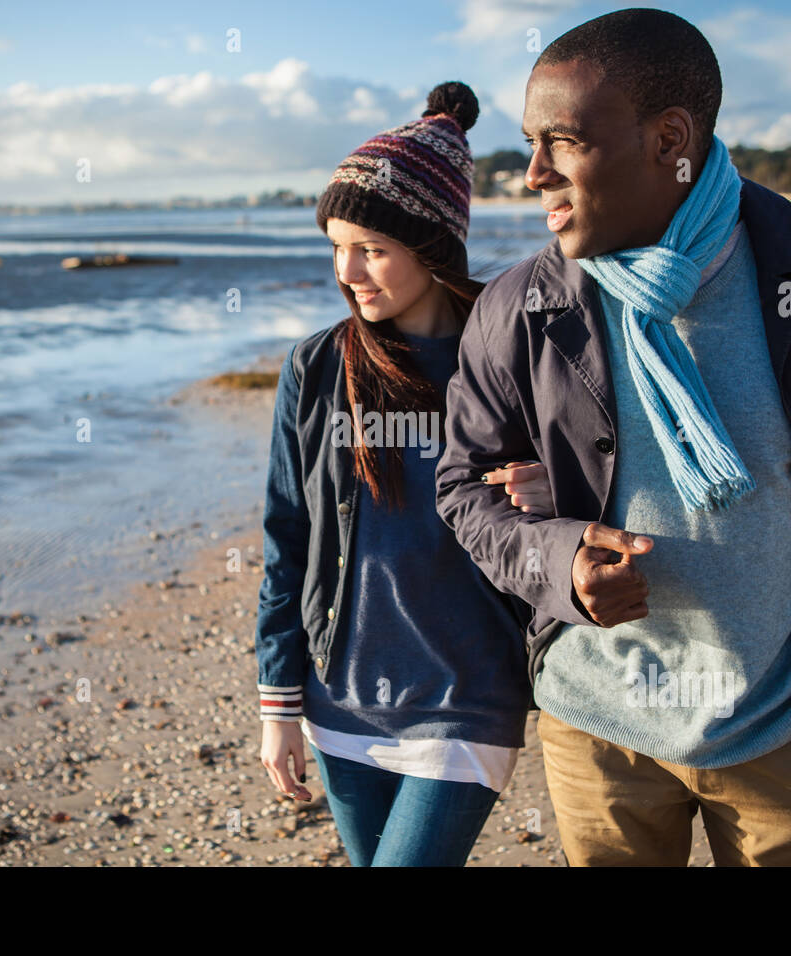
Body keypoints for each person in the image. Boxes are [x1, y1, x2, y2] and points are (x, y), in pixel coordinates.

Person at [435, 9, 791, 866]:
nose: (530, 174)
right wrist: (559, 561)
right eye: (530, 143)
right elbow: (462, 490)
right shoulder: (517, 308)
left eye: (561, 142)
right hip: (596, 730)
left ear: (669, 137)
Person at [253, 82, 552, 866]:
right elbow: (288, 538)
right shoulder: (317, 367)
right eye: (336, 247)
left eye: (372, 249)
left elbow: (589, 480)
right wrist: (279, 704)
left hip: (466, 697)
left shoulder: (506, 357)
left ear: (431, 246)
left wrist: (547, 490)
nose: (347, 270)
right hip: (340, 697)